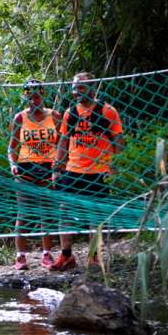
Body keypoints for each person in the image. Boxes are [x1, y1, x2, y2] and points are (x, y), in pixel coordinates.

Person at [49, 72, 125, 272]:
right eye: (74, 88)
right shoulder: (70, 112)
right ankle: (66, 256)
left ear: (93, 88)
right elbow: (63, 143)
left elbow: (119, 141)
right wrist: (57, 168)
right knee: (64, 210)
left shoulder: (107, 111)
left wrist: (115, 167)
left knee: (95, 215)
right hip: (73, 170)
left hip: (98, 171)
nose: (76, 92)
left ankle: (94, 257)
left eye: (80, 87)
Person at [7, 80, 62, 270]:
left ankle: (46, 255)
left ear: (43, 95)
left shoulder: (53, 115)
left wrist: (59, 165)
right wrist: (13, 164)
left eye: (36, 96)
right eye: (29, 97)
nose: (33, 100)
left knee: (47, 212)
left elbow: (64, 142)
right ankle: (20, 257)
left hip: (49, 168)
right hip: (25, 169)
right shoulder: (20, 117)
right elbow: (11, 148)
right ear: (25, 96)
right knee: (24, 212)